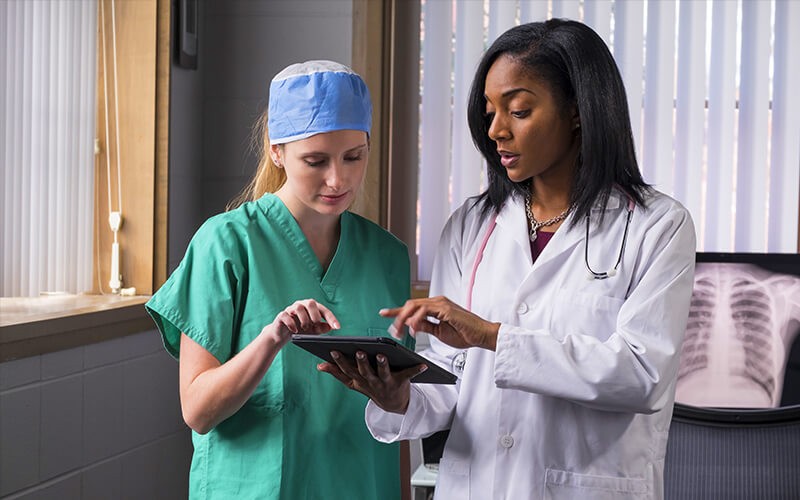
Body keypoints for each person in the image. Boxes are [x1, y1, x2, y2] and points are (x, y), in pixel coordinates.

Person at [320, 20, 697, 499]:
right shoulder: (472, 226)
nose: (496, 130)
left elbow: (642, 376)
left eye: (518, 110)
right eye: (489, 111)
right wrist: (400, 396)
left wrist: (493, 337)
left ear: (578, 111)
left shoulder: (656, 226)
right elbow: (450, 378)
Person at [145, 60, 414, 499]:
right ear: (276, 150)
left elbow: (400, 415)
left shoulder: (387, 256)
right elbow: (197, 410)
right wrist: (272, 339)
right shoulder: (227, 243)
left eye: (354, 156)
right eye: (315, 160)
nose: (337, 179)